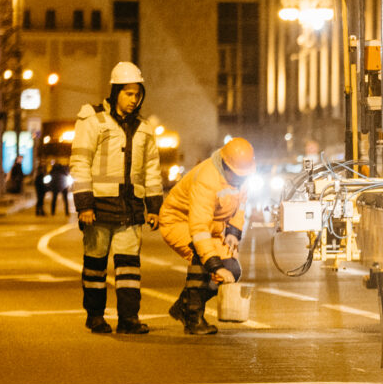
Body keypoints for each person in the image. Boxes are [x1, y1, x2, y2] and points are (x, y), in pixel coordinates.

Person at [70, 62, 164, 335]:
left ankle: (128, 319)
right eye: (128, 93)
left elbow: (152, 171)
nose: (134, 99)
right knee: (95, 268)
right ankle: (95, 316)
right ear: (115, 92)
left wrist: (154, 208)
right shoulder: (94, 120)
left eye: (137, 94)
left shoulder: (145, 129)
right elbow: (79, 163)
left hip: (130, 209)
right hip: (98, 208)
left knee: (129, 270)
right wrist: (85, 205)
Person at [158, 139, 254, 336]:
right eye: (237, 176)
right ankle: (193, 317)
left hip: (210, 228)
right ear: (226, 165)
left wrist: (234, 232)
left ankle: (183, 305)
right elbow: (199, 227)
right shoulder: (207, 178)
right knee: (203, 261)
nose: (240, 180)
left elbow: (241, 205)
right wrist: (214, 264)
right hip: (179, 221)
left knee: (232, 270)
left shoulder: (241, 176)